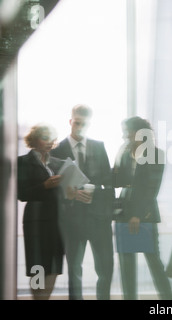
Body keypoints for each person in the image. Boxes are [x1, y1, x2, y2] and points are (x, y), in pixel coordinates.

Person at [50, 104, 114, 300]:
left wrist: (95, 193)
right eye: (77, 123)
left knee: (105, 269)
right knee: (74, 271)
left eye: (84, 124)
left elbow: (109, 183)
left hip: (99, 219)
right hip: (71, 220)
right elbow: (52, 188)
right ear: (70, 121)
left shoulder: (99, 146)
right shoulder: (57, 150)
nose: (79, 127)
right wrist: (71, 194)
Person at [112, 116, 172, 300]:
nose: (125, 135)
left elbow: (151, 189)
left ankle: (169, 302)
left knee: (154, 263)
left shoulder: (156, 154)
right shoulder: (124, 152)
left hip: (145, 214)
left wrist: (137, 215)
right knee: (126, 265)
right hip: (124, 213)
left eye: (127, 131)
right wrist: (115, 164)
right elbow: (117, 181)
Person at [17, 123, 64, 299]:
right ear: (34, 139)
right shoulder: (22, 162)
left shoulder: (58, 163)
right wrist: (44, 185)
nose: (49, 142)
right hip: (36, 220)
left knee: (53, 265)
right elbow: (21, 193)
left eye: (52, 139)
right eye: (45, 138)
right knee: (37, 266)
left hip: (57, 220)